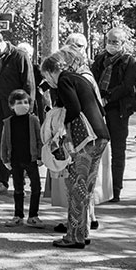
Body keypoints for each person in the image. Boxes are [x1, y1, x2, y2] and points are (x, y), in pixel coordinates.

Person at [41, 49, 110, 248]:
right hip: (101, 137)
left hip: (85, 140)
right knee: (86, 187)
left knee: (76, 187)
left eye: (46, 76)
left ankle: (74, 236)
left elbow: (73, 108)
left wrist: (60, 128)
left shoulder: (64, 80)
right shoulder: (81, 78)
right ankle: (82, 231)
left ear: (51, 71)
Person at [0, 30, 37, 198]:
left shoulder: (19, 57)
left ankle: (23, 185)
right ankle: (2, 182)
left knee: (22, 148)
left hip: (18, 111)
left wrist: (28, 110)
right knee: (2, 145)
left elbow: (29, 84)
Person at [91, 26, 136, 201]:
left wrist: (108, 96)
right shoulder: (99, 59)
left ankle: (116, 189)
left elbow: (128, 86)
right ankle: (97, 187)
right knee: (96, 149)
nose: (112, 45)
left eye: (115, 42)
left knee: (118, 151)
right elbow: (92, 79)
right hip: (99, 108)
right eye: (110, 41)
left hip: (118, 110)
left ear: (123, 43)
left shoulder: (130, 62)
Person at [0, 88, 43, 228]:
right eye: (19, 102)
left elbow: (39, 139)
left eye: (25, 102)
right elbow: (4, 142)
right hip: (15, 160)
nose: (23, 105)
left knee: (36, 187)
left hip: (31, 159)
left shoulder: (33, 120)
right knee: (18, 188)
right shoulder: (8, 122)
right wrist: (4, 159)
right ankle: (18, 215)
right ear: (12, 105)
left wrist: (41, 156)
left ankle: (33, 215)